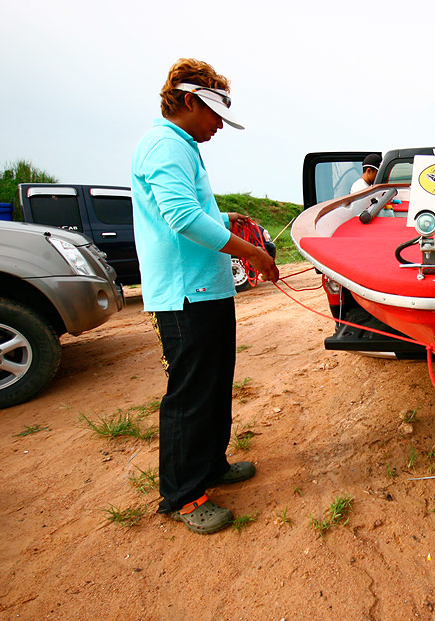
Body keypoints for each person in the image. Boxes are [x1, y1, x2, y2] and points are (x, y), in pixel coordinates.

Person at [131, 58, 279, 535]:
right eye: (215, 114)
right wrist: (251, 253)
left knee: (215, 383)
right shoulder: (163, 145)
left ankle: (211, 463)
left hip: (206, 290)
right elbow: (181, 217)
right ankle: (183, 495)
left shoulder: (183, 147)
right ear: (190, 101)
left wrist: (224, 219)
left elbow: (196, 211)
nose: (218, 126)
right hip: (182, 297)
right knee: (190, 394)